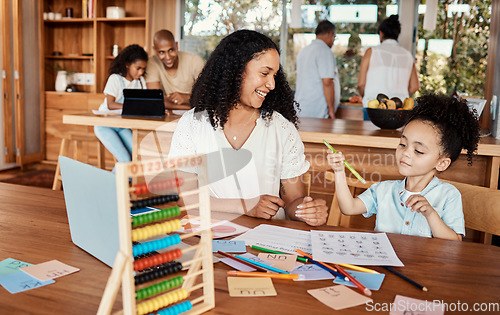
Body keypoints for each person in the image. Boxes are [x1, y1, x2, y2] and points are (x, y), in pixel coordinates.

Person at [168, 30, 328, 226]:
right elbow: (187, 200)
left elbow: (293, 200)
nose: (271, 84)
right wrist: (246, 206)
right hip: (212, 239)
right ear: (236, 71)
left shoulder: (282, 129)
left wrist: (307, 210)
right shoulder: (191, 125)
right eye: (264, 73)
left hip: (266, 244)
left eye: (275, 75)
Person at [327, 94, 480, 241]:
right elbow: (349, 208)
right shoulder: (382, 191)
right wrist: (339, 171)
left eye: (418, 151)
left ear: (441, 163)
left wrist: (430, 213)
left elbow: (454, 242)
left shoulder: (449, 195)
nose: (405, 153)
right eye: (402, 144)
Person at [358, 15, 419, 120]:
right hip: (400, 111)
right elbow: (414, 86)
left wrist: (369, 97)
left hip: (374, 109)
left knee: (370, 136)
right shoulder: (408, 55)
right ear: (397, 35)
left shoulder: (371, 52)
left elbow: (361, 84)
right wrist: (397, 91)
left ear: (381, 33)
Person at [94, 44, 148, 162]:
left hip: (122, 126)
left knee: (137, 157)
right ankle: (114, 181)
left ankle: (121, 180)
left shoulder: (140, 82)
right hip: (105, 125)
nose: (141, 72)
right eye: (138, 68)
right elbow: (111, 105)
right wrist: (134, 107)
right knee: (125, 159)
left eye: (143, 69)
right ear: (127, 64)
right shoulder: (115, 79)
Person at [146, 29, 204, 108]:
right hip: (181, 112)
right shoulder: (152, 62)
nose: (168, 57)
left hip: (195, 115)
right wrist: (189, 107)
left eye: (171, 50)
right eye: (162, 52)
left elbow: (207, 95)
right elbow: (156, 99)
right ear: (155, 50)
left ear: (176, 45)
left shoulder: (194, 61)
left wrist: (187, 98)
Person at [295, 20, 340, 119]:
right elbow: (327, 82)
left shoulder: (304, 51)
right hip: (317, 110)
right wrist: (331, 110)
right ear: (330, 34)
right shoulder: (325, 51)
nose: (333, 41)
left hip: (301, 107)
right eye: (334, 37)